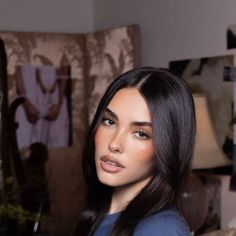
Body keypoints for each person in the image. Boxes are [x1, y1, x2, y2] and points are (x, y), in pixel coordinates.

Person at [74, 67, 196, 236]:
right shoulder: (100, 215)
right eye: (109, 121)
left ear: (167, 147)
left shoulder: (162, 229)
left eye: (141, 134)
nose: (114, 144)